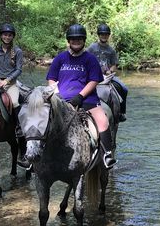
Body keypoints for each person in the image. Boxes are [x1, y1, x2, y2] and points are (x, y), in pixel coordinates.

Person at [45, 24, 116, 169]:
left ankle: (107, 155)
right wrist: (56, 93)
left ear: (83, 40)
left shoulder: (90, 59)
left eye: (79, 39)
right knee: (40, 120)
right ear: (69, 41)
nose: (76, 42)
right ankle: (33, 157)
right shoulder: (60, 58)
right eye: (73, 39)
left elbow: (94, 80)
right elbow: (51, 78)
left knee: (103, 122)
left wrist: (80, 95)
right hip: (61, 100)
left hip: (87, 100)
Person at [87, 23, 128, 122]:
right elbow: (86, 61)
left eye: (106, 34)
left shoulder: (111, 50)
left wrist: (111, 70)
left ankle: (121, 113)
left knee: (124, 89)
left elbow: (114, 64)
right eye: (102, 34)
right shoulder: (92, 48)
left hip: (107, 76)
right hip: (93, 75)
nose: (104, 36)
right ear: (98, 35)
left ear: (108, 36)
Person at [0, 22, 23, 112]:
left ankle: (18, 125)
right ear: (1, 36)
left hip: (11, 84)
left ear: (12, 37)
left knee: (14, 103)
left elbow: (18, 70)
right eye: (5, 35)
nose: (7, 37)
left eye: (10, 35)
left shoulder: (18, 51)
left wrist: (6, 81)